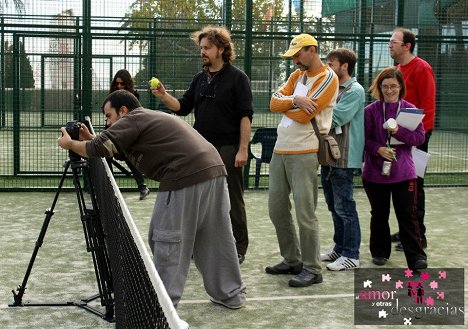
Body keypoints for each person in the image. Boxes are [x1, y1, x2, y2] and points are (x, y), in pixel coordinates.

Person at [56, 90, 246, 309]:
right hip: (215, 170)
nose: (107, 122)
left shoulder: (133, 118)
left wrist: (71, 144)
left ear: (123, 111)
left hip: (184, 174)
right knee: (215, 237)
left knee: (166, 239)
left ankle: (162, 307)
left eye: (109, 116)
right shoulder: (145, 119)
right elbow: (112, 149)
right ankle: (231, 295)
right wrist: (91, 140)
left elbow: (100, 148)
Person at [151, 26, 253, 264]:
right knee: (201, 199)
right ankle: (201, 246)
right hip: (201, 149)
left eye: (207, 48)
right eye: (201, 48)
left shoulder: (238, 78)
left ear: (221, 49)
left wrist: (243, 149)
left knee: (232, 199)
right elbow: (182, 107)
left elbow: (245, 116)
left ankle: (238, 247)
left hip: (229, 148)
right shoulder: (200, 79)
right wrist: (164, 95)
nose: (203, 52)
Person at [265, 33, 339, 287]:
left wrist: (289, 104)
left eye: (298, 54)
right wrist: (294, 99)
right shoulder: (297, 77)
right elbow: (273, 102)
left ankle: (312, 269)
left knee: (305, 213)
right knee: (276, 210)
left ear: (312, 50)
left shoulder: (329, 77)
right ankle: (292, 260)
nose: (295, 60)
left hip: (305, 152)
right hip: (280, 150)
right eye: (293, 56)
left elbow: (304, 115)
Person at [362, 67, 427, 271]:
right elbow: (364, 140)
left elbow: (419, 138)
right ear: (379, 88)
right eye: (385, 86)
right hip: (375, 173)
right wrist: (378, 149)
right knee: (379, 214)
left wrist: (399, 131)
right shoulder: (370, 111)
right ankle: (380, 251)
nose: (389, 90)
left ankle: (416, 257)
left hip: (404, 173)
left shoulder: (410, 110)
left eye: (393, 86)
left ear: (401, 87)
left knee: (408, 215)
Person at [388, 27, 436, 251]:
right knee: (400, 184)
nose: (390, 45)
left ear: (407, 46)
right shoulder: (397, 69)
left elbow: (428, 105)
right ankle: (406, 230)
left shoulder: (422, 68)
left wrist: (419, 137)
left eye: (393, 42)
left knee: (415, 185)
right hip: (398, 136)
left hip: (417, 137)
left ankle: (419, 236)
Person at [319, 48, 365, 271]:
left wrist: (312, 109)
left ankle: (351, 255)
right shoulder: (332, 87)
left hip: (344, 157)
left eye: (331, 64)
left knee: (345, 207)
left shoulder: (355, 90)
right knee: (333, 206)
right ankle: (339, 247)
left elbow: (336, 117)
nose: (328, 68)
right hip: (328, 156)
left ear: (345, 66)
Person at [108, 69, 150, 200]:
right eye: (117, 84)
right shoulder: (112, 95)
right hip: (113, 129)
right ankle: (110, 189)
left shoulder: (134, 95)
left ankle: (142, 187)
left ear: (127, 84)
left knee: (128, 156)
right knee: (106, 155)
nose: (119, 86)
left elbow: (134, 114)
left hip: (128, 132)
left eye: (122, 84)